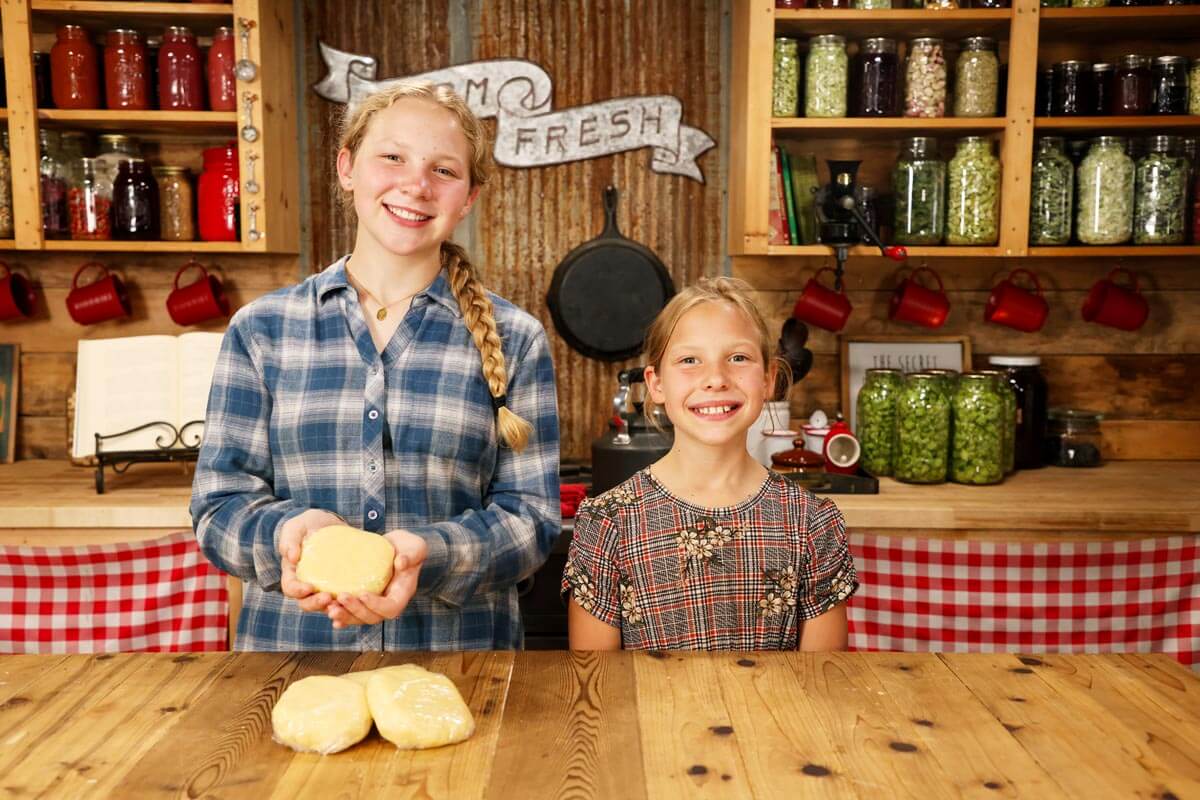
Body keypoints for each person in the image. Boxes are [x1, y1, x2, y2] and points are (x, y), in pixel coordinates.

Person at [191, 80, 561, 650]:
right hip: (292, 663)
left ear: (468, 198)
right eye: (392, 157)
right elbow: (218, 507)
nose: (415, 185)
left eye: (444, 170)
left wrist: (427, 553)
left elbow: (533, 520)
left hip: (460, 664)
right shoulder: (263, 330)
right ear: (348, 168)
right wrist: (288, 535)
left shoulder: (516, 339)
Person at [562, 277, 856, 651]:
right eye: (689, 360)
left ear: (768, 379)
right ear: (656, 384)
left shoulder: (812, 523)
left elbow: (820, 686)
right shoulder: (607, 523)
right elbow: (597, 691)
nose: (715, 379)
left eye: (738, 358)